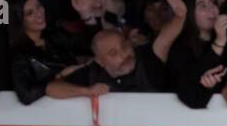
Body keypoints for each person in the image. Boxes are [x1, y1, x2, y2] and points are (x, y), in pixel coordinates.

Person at [44, 23, 172, 95]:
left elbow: (166, 38)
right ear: (100, 61)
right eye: (113, 53)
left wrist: (179, 15)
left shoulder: (146, 58)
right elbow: (52, 88)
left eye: (124, 46)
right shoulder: (92, 72)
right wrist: (87, 91)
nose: (123, 55)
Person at [9, 0, 81, 103]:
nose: (39, 13)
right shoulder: (19, 55)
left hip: (78, 104)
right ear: (19, 20)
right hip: (46, 116)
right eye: (29, 13)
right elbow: (26, 94)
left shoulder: (58, 36)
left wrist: (86, 16)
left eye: (39, 6)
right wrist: (59, 75)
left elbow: (92, 47)